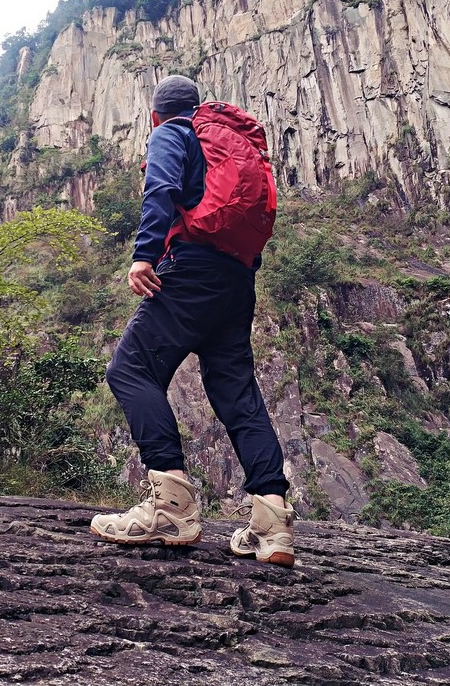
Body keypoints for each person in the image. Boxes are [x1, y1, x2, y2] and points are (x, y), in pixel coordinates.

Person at [89, 75, 296, 567]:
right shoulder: (227, 143)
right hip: (237, 280)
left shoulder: (170, 133)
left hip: (192, 271)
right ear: (199, 107)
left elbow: (159, 189)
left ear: (156, 115)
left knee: (130, 371)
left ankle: (170, 509)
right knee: (237, 395)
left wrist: (143, 256)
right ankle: (272, 526)